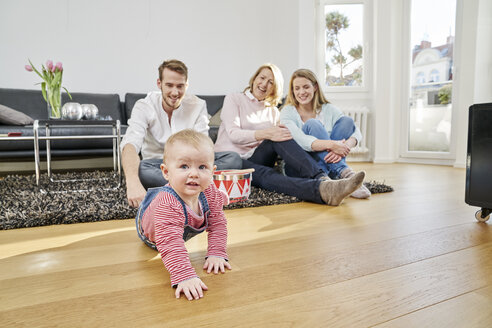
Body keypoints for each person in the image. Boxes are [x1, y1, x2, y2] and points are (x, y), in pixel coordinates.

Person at [214, 63, 365, 206]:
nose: (264, 84)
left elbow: (282, 140)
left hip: (257, 157)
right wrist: (267, 133)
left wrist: (274, 136)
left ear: (275, 88)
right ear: (254, 79)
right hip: (232, 159)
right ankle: (323, 189)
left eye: (271, 82)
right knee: (268, 173)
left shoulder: (273, 110)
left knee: (281, 135)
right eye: (262, 78)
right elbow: (234, 134)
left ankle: (322, 178)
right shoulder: (234, 98)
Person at [120, 59, 242, 208]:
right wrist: (132, 184)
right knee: (142, 170)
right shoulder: (144, 106)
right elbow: (130, 144)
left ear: (187, 85)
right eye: (169, 85)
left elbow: (204, 146)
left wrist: (191, 169)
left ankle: (175, 190)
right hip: (159, 165)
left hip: (193, 165)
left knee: (233, 159)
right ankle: (200, 189)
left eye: (180, 86)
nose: (175, 92)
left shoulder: (198, 105)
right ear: (159, 83)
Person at [135, 129, 231, 301]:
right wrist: (184, 275)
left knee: (214, 205)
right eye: (184, 166)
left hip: (180, 223)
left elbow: (218, 224)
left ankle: (218, 199)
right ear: (165, 172)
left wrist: (217, 252)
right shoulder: (168, 203)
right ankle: (150, 204)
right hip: (155, 235)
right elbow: (170, 243)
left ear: (213, 172)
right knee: (168, 226)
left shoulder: (210, 192)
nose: (194, 173)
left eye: (202, 167)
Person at [280, 68, 371, 198]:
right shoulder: (287, 112)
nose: (301, 92)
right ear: (293, 91)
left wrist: (345, 147)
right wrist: (333, 145)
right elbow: (301, 140)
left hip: (327, 167)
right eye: (297, 88)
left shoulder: (328, 109)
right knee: (313, 124)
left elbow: (355, 131)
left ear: (315, 87)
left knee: (346, 121)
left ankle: (336, 176)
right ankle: (345, 173)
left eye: (306, 87)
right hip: (301, 167)